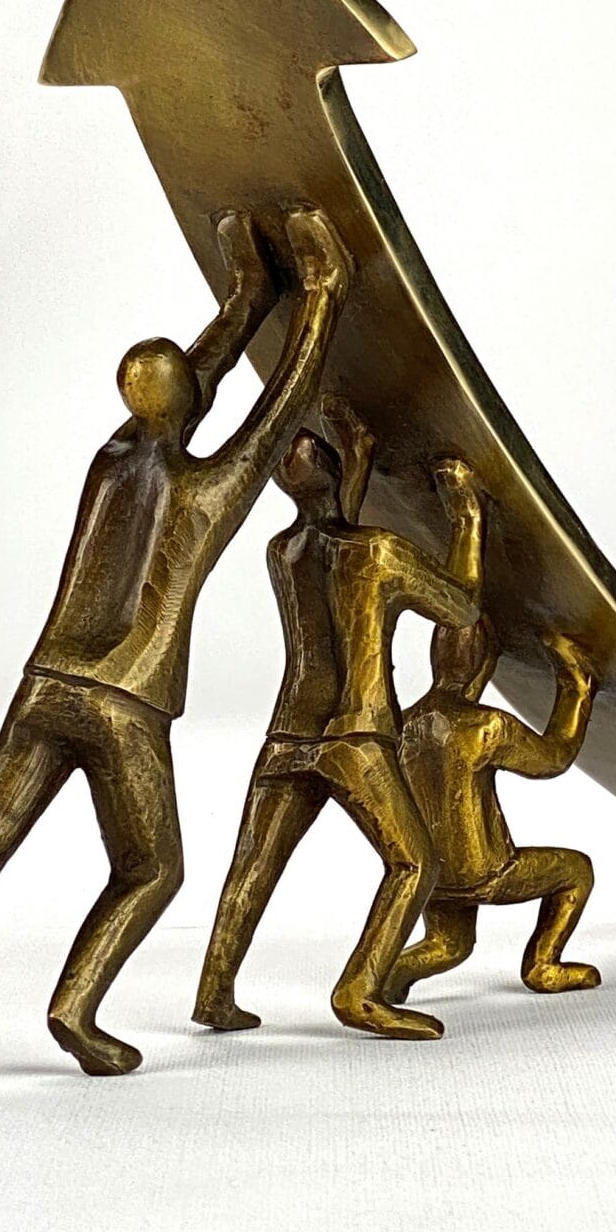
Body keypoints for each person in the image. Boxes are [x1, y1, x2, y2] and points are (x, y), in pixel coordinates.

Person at [0, 205, 351, 1076]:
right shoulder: (206, 494)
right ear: (184, 408)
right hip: (123, 700)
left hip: (46, 679)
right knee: (152, 869)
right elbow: (278, 408)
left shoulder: (112, 458)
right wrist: (321, 295)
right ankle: (75, 1007)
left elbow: (185, 387)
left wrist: (246, 298)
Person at [192, 401, 483, 1041]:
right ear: (336, 473)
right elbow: (462, 608)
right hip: (354, 734)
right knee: (415, 865)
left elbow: (330, 525)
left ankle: (214, 993)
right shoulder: (378, 551)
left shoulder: (282, 552)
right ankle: (359, 992)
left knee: (253, 866)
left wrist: (359, 455)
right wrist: (466, 517)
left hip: (288, 734)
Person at [387, 619, 600, 1004]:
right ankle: (542, 965)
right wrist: (576, 692)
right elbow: (552, 759)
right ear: (484, 664)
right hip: (489, 870)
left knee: (449, 945)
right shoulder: (485, 726)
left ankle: (387, 979)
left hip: (432, 875)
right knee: (576, 872)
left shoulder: (401, 724)